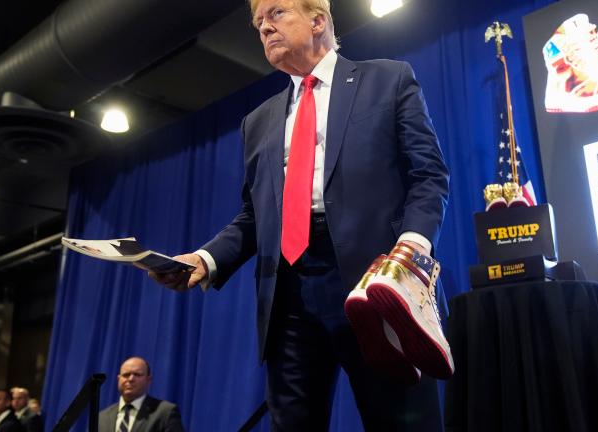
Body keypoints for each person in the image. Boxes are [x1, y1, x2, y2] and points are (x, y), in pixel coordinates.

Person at [150, 0, 449, 430]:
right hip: (288, 296)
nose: (264, 29)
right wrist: (205, 259)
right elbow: (254, 216)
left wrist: (409, 252)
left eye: (275, 14)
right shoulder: (257, 121)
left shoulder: (388, 79)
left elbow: (429, 175)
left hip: (376, 286)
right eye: (257, 24)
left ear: (317, 19)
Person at [98, 357, 184, 432]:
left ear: (148, 380)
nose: (131, 379)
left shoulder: (165, 412)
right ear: (119, 379)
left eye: (137, 374)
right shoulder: (101, 418)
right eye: (126, 375)